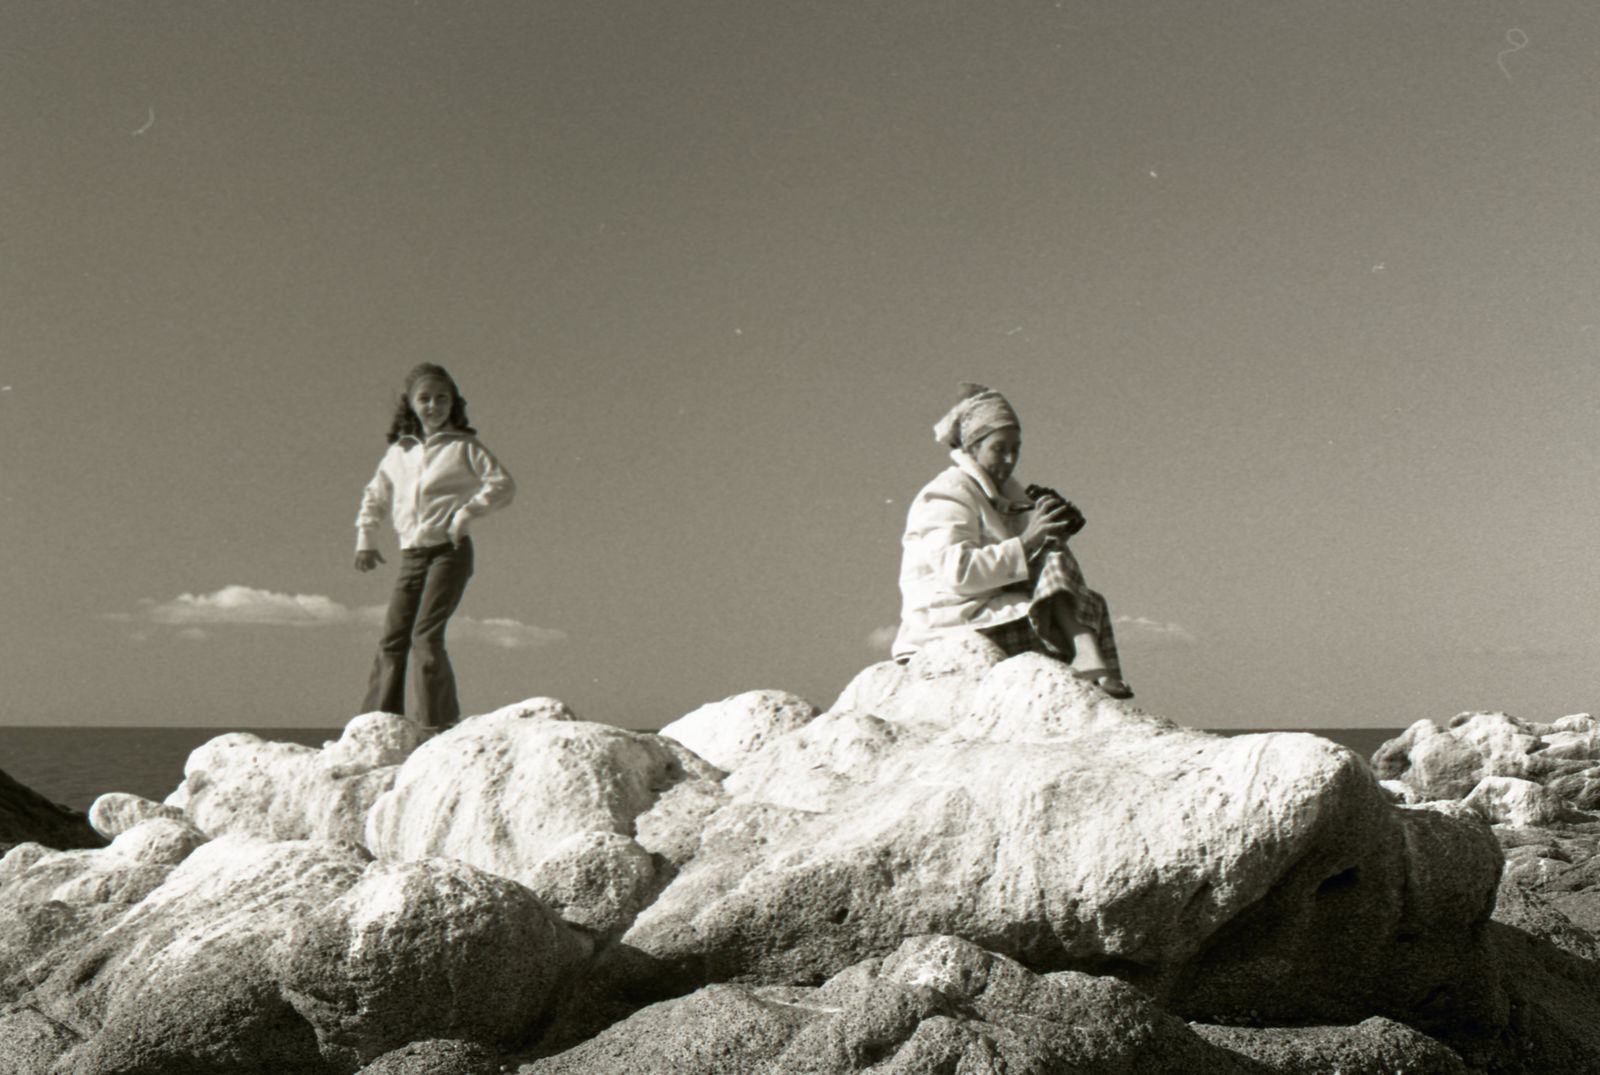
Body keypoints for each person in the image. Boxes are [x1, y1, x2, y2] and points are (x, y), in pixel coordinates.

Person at [892, 382, 1132, 698]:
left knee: (1076, 583)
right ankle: (1089, 661)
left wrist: (1049, 534)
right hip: (949, 625)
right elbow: (959, 574)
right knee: (1047, 559)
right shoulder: (946, 494)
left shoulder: (1005, 499)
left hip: (984, 612)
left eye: (1015, 449)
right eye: (999, 449)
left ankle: (1089, 665)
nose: (1009, 460)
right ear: (973, 448)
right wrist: (1030, 540)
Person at [354, 364, 515, 729]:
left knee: (425, 636)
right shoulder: (400, 453)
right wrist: (366, 538)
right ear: (411, 404)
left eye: (442, 398)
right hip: (411, 555)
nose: (433, 405)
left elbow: (502, 484)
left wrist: (466, 513)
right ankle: (378, 723)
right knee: (393, 637)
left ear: (453, 403)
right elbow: (375, 496)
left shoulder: (464, 447)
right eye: (424, 398)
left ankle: (436, 724)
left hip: (449, 552)